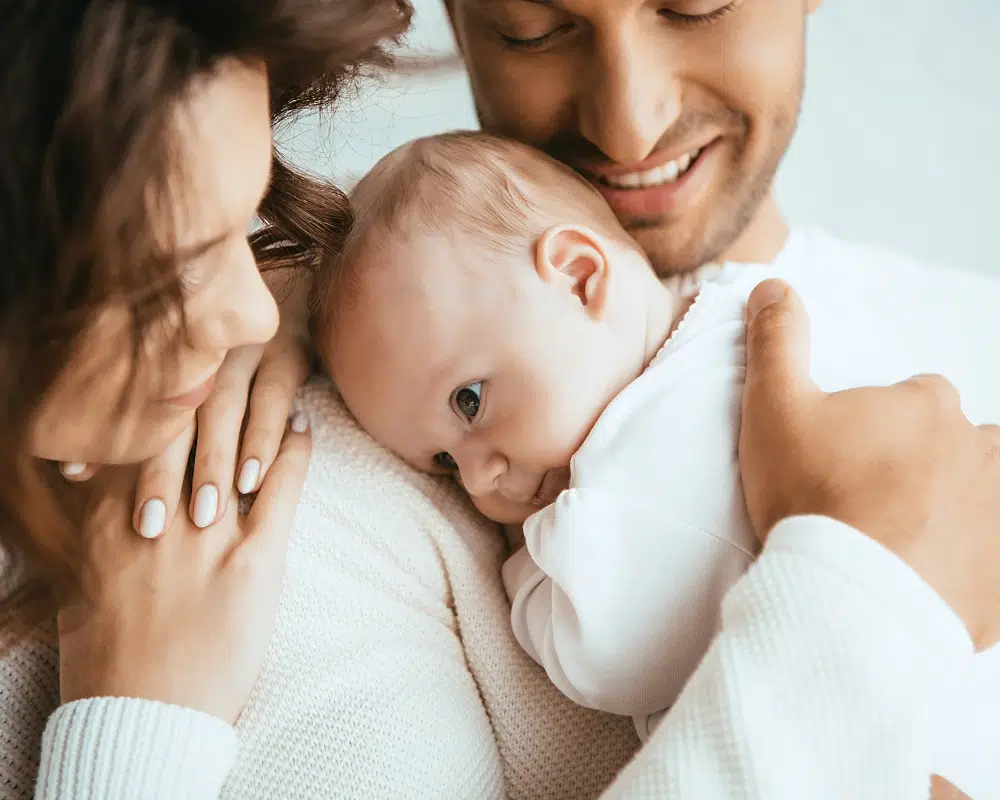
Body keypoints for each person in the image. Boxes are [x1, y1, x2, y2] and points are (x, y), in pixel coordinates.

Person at [0, 1, 998, 799]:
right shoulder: (288, 429)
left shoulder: (969, 329)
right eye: (535, 28)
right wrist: (860, 608)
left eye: (695, 6)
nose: (629, 120)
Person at [316, 129, 1000, 787]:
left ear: (582, 278)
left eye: (469, 402)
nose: (476, 478)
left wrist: (525, 570)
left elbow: (606, 660)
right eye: (441, 461)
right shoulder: (743, 313)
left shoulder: (634, 463)